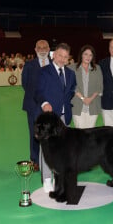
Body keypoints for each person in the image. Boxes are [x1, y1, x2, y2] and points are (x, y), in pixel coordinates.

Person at [35, 42, 76, 192]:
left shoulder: (71, 74)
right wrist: (45, 103)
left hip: (65, 118)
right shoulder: (44, 72)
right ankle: (46, 179)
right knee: (46, 148)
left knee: (63, 149)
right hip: (49, 117)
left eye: (65, 57)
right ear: (54, 55)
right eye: (60, 55)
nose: (62, 59)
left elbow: (71, 90)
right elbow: (38, 92)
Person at [21, 39, 51, 172]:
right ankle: (35, 160)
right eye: (40, 47)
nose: (43, 49)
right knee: (34, 134)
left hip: (50, 106)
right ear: (35, 49)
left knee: (51, 133)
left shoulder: (54, 64)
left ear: (49, 49)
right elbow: (25, 84)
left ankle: (50, 159)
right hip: (33, 106)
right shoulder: (29, 65)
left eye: (45, 47)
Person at [69, 45, 103, 129]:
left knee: (91, 133)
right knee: (80, 133)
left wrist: (90, 99)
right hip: (77, 105)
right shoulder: (72, 68)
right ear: (81, 55)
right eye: (86, 54)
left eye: (90, 55)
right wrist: (83, 98)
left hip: (93, 105)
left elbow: (100, 86)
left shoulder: (97, 68)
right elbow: (71, 86)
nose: (88, 57)